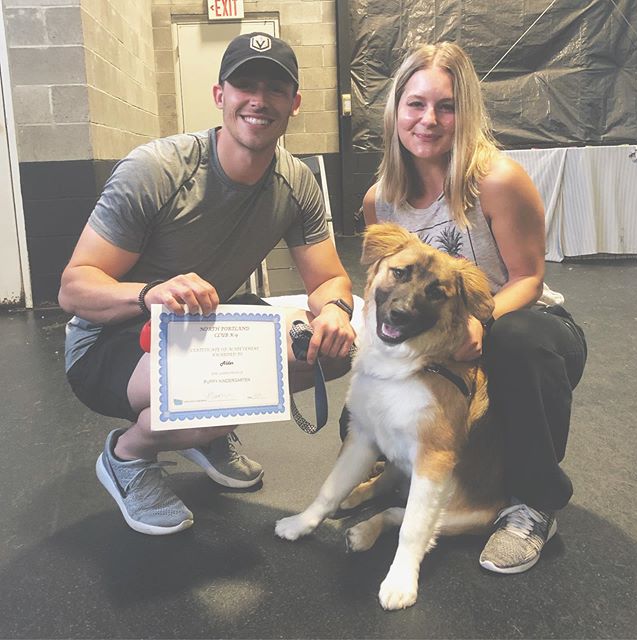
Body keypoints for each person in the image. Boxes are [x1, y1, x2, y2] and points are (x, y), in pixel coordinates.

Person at [58, 32, 356, 536]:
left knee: (329, 354)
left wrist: (335, 312)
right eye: (244, 85)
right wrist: (148, 291)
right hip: (108, 341)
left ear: (294, 104)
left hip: (203, 325)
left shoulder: (295, 182)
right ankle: (128, 456)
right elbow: (73, 287)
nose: (258, 100)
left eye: (274, 89)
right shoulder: (157, 170)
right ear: (221, 95)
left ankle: (202, 433)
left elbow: (328, 277)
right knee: (216, 387)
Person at [361, 41, 587, 574]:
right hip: (441, 336)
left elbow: (530, 277)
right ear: (396, 109)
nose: (429, 120)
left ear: (467, 112)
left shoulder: (497, 180)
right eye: (415, 104)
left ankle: (534, 504)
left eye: (446, 106)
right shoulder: (381, 199)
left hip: (526, 325)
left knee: (517, 342)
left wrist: (478, 321)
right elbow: (384, 288)